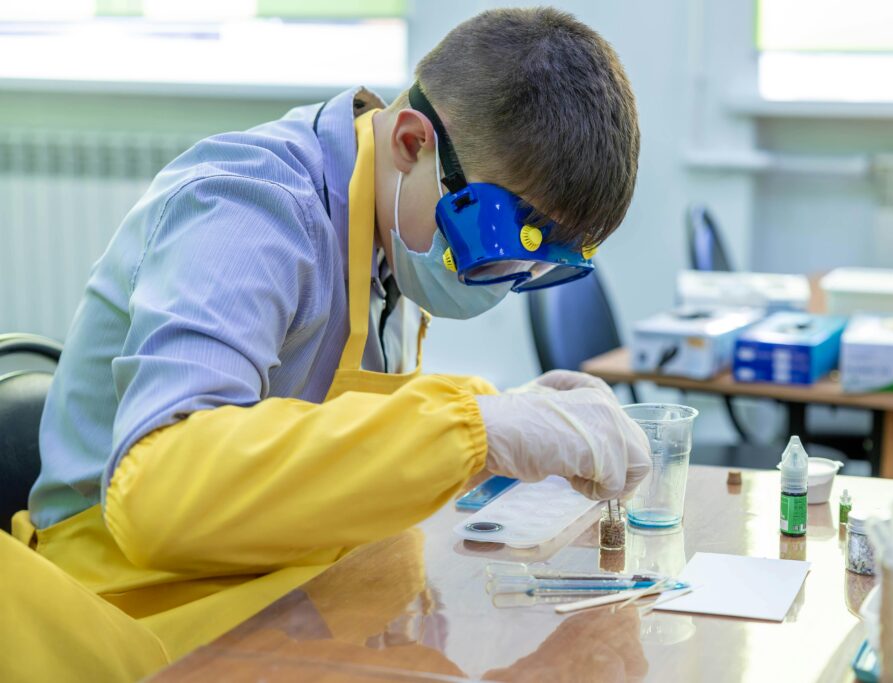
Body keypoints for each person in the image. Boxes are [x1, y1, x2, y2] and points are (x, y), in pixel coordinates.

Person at [3, 7, 648, 680]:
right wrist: (477, 427)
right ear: (410, 142)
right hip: (136, 621)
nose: (501, 284)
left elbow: (318, 454)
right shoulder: (249, 205)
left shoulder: (389, 229)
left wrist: (505, 432)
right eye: (493, 244)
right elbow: (157, 491)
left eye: (540, 268)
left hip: (279, 588)